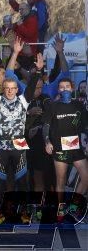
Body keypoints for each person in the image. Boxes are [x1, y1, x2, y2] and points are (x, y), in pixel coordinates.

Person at [0, 50, 43, 202]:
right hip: (1, 145)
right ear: (3, 89)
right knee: (1, 182)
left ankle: (23, 211)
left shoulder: (23, 101)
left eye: (13, 88)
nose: (10, 91)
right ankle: (0, 211)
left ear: (17, 89)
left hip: (18, 144)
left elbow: (31, 88)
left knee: (22, 181)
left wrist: (38, 71)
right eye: (7, 88)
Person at [43, 78, 88, 220]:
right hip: (59, 147)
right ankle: (61, 210)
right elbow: (46, 126)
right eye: (61, 87)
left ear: (72, 87)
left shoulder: (79, 105)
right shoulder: (53, 106)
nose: (64, 89)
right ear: (58, 90)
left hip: (76, 147)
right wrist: (47, 141)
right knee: (60, 181)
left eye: (67, 86)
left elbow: (85, 125)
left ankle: (74, 207)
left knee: (86, 178)